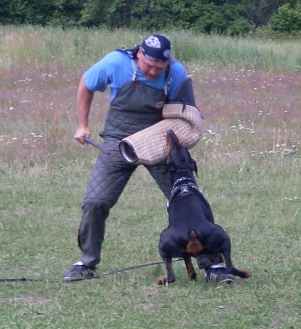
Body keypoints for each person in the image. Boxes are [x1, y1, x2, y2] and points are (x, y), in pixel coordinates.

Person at [64, 34, 235, 283]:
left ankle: (212, 266)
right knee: (95, 202)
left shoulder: (176, 72)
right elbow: (87, 84)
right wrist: (82, 125)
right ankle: (87, 262)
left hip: (157, 141)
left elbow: (186, 112)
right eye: (149, 65)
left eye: (160, 67)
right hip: (118, 140)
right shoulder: (115, 62)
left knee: (191, 201)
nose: (154, 71)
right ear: (139, 55)